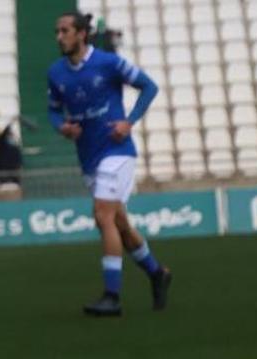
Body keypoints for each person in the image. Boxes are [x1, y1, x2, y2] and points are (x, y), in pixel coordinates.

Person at [48, 11, 170, 317]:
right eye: (56, 32)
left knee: (102, 215)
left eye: (64, 31)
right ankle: (157, 273)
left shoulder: (109, 62)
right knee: (119, 224)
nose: (59, 36)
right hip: (88, 156)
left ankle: (111, 296)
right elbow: (52, 111)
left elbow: (149, 86)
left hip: (117, 152)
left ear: (81, 34)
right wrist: (61, 127)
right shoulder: (56, 72)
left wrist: (129, 122)